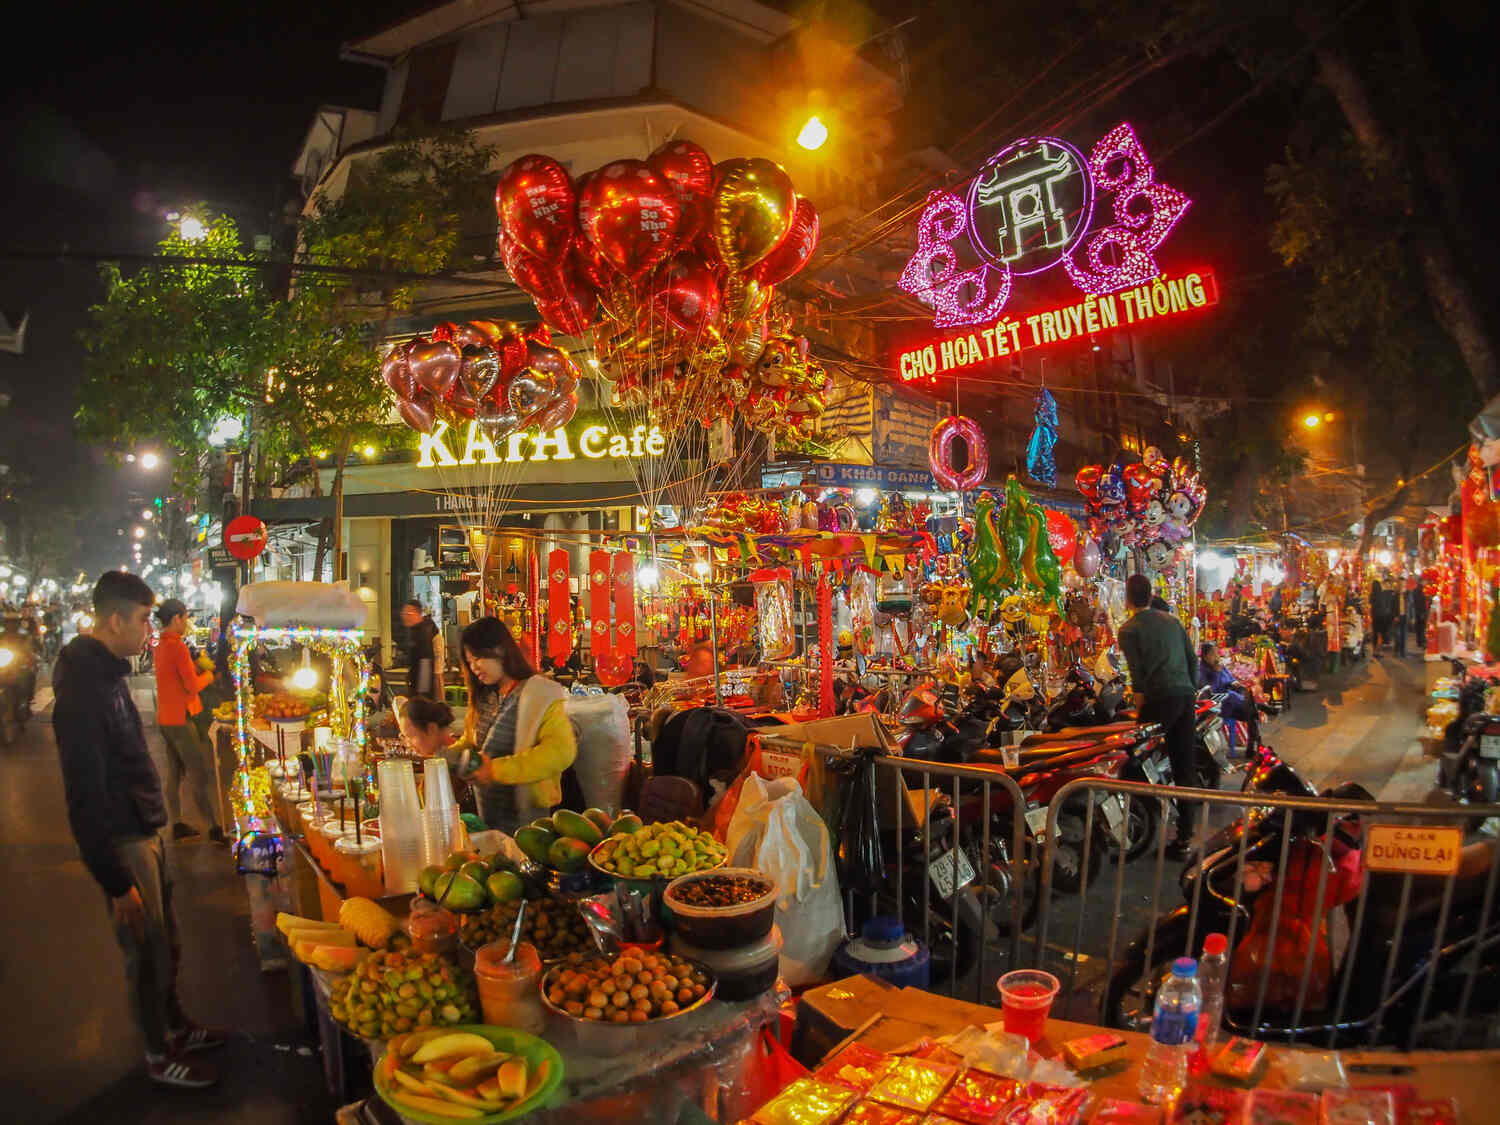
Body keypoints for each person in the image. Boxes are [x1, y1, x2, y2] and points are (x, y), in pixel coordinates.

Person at [53, 572, 223, 1089]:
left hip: (146, 831)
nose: (150, 632)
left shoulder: (108, 676)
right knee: (146, 951)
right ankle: (156, 1053)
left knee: (165, 941)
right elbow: (84, 791)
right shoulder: (83, 689)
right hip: (124, 841)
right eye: (145, 620)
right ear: (115, 619)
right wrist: (113, 880)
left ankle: (174, 1025)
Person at [459, 617, 577, 834]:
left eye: (477, 658)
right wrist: (443, 751)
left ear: (500, 650)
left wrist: (494, 769)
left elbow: (561, 751)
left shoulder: (539, 693)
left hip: (528, 820)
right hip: (487, 813)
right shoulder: (484, 697)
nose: (473, 667)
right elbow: (469, 741)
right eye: (469, 661)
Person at [1118, 573, 1201, 858]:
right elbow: (1193, 660)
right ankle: (1185, 838)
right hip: (1185, 697)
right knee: (1184, 767)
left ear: (1127, 598)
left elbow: (1138, 679)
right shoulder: (1173, 622)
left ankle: (1143, 821)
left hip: (1159, 699)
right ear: (1151, 594)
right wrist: (1189, 690)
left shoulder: (1129, 630)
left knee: (1130, 758)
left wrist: (1140, 719)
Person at [153, 599, 224, 844]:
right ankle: (215, 827)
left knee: (175, 773)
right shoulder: (177, 647)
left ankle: (177, 823)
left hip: (165, 718)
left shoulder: (161, 645)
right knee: (199, 773)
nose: (187, 623)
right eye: (185, 618)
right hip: (181, 719)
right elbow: (191, 686)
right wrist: (209, 676)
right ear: (176, 619)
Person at [1198, 642, 1262, 754]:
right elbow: (1210, 690)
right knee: (1251, 710)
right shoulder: (1202, 670)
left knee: (1250, 711)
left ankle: (1252, 747)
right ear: (1205, 656)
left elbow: (1230, 678)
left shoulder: (1220, 666)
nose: (1216, 657)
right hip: (1218, 704)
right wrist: (1216, 674)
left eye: (1217, 653)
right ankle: (1256, 745)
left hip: (1232, 702)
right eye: (1213, 654)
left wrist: (1234, 682)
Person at [401, 600, 440, 699]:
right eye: (404, 613)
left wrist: (422, 690)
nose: (405, 616)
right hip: (416, 675)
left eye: (408, 613)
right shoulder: (414, 630)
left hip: (423, 675)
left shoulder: (425, 631)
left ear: (416, 613)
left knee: (423, 704)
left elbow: (425, 660)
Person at [1369, 579, 1391, 656]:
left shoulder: (1372, 595)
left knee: (1375, 633)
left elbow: (1370, 603)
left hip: (1375, 616)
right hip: (1382, 616)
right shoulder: (1382, 594)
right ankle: (1379, 650)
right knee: (1381, 633)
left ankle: (1374, 650)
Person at [1411, 578, 1429, 651]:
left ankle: (1419, 641)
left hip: (1417, 611)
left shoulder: (1416, 590)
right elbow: (1421, 602)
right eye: (1425, 581)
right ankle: (1422, 642)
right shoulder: (1422, 590)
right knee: (1422, 627)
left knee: (1419, 627)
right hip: (1421, 611)